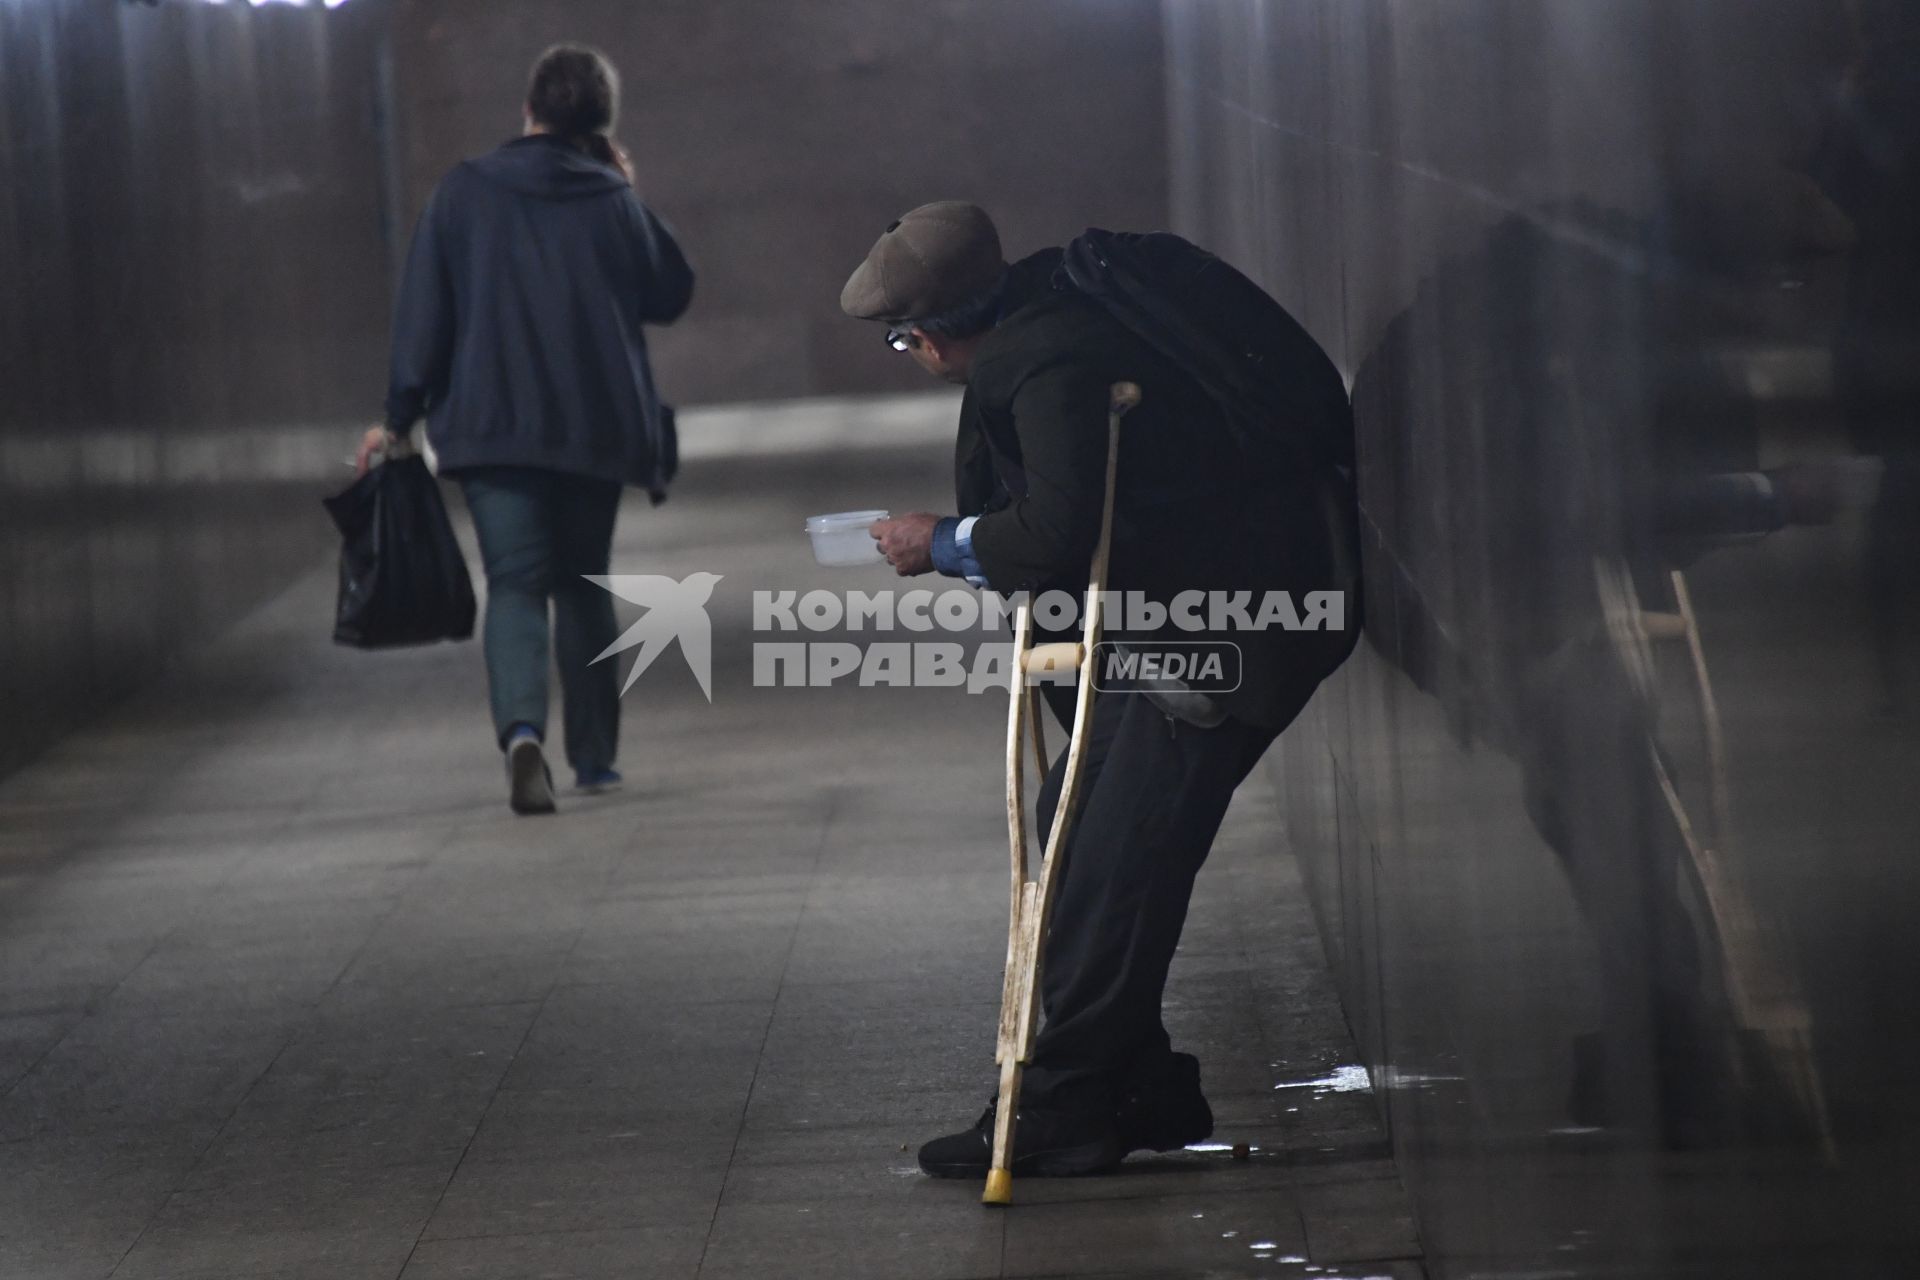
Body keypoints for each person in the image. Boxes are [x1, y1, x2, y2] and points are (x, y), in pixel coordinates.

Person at [841, 202, 1358, 1177]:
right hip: (1187, 614)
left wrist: (941, 543)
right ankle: (1136, 1084)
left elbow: (1056, 531)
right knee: (1074, 823)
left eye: (903, 337)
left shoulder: (1043, 362)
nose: (910, 352)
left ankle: (1070, 1100)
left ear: (941, 329)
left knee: (1118, 859)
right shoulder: (1063, 298)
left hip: (1226, 628)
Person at [359, 44, 694, 815]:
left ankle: (521, 736)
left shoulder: (462, 193)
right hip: (592, 428)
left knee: (513, 582)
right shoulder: (609, 197)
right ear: (602, 123)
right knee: (582, 583)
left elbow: (424, 319)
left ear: (529, 110)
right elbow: (671, 290)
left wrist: (397, 418)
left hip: (491, 428)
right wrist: (626, 188)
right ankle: (597, 759)